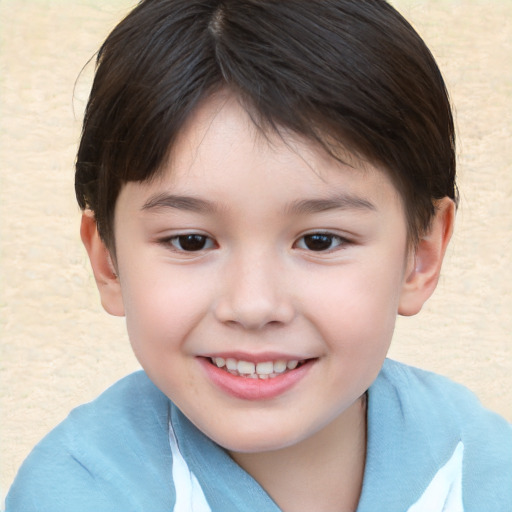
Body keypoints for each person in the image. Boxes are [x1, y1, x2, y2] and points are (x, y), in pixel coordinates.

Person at [5, 0, 511, 510]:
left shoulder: (487, 469)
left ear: (420, 255)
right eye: (190, 241)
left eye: (319, 241)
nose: (252, 306)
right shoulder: (75, 492)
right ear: (108, 261)